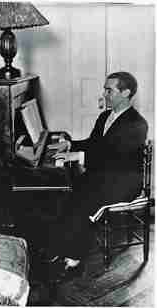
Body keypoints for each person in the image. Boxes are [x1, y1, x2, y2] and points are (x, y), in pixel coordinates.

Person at [41, 71, 148, 281]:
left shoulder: (137, 124)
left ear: (125, 93)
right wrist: (70, 145)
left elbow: (116, 158)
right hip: (105, 175)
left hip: (124, 181)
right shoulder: (105, 116)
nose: (104, 94)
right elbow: (94, 145)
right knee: (69, 192)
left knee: (84, 200)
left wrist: (78, 155)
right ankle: (58, 248)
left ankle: (73, 261)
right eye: (105, 89)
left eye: (109, 90)